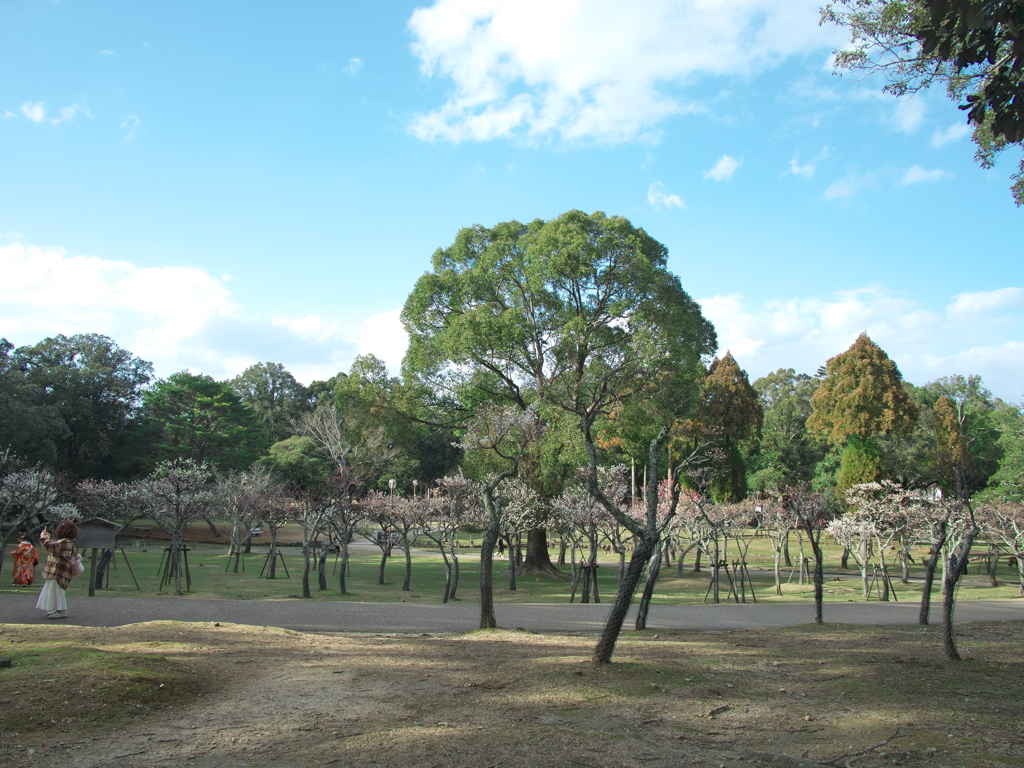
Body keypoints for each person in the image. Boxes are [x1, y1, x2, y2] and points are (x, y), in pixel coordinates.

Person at [35, 520, 80, 620]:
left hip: (57, 571)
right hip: (60, 571)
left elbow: (50, 547)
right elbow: (55, 546)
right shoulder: (68, 542)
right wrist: (48, 538)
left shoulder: (64, 542)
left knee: (55, 590)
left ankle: (60, 610)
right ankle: (56, 609)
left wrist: (43, 537)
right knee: (55, 590)